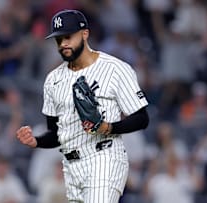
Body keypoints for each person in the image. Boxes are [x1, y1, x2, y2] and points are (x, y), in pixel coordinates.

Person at [16, 9, 149, 203]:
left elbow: (141, 118)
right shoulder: (54, 80)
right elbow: (55, 134)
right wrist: (36, 140)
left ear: (84, 34)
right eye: (59, 39)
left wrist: (110, 127)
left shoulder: (116, 70)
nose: (63, 44)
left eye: (68, 37)